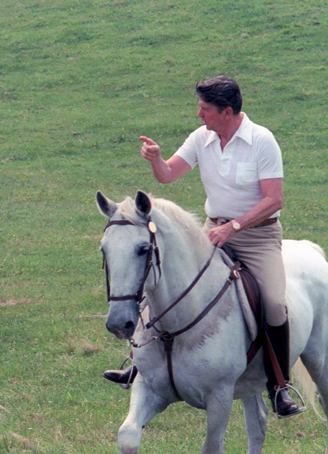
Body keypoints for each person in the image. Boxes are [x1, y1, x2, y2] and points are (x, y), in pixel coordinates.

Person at [104, 76, 303, 418]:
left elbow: (274, 199)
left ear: (227, 112)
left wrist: (234, 226)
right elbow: (167, 175)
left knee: (273, 303)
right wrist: (155, 158)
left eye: (205, 109)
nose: (199, 115)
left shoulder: (261, 141)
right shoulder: (202, 138)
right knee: (161, 281)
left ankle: (279, 386)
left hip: (257, 236)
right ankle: (139, 364)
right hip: (210, 231)